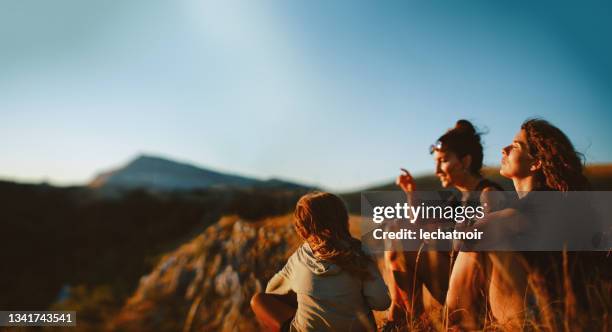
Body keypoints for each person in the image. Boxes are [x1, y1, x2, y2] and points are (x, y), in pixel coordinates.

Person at [384, 120, 507, 330]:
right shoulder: (459, 200)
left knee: (399, 235)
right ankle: (406, 318)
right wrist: (411, 193)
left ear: (465, 161)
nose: (437, 170)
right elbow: (418, 227)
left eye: (443, 161)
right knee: (396, 229)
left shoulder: (488, 195)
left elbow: (492, 261)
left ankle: (405, 320)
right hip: (457, 288)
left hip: (480, 300)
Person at [251, 192, 391, 331]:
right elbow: (381, 302)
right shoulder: (360, 252)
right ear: (343, 219)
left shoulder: (300, 257)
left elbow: (271, 291)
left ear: (303, 229)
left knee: (258, 300)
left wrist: (306, 293)